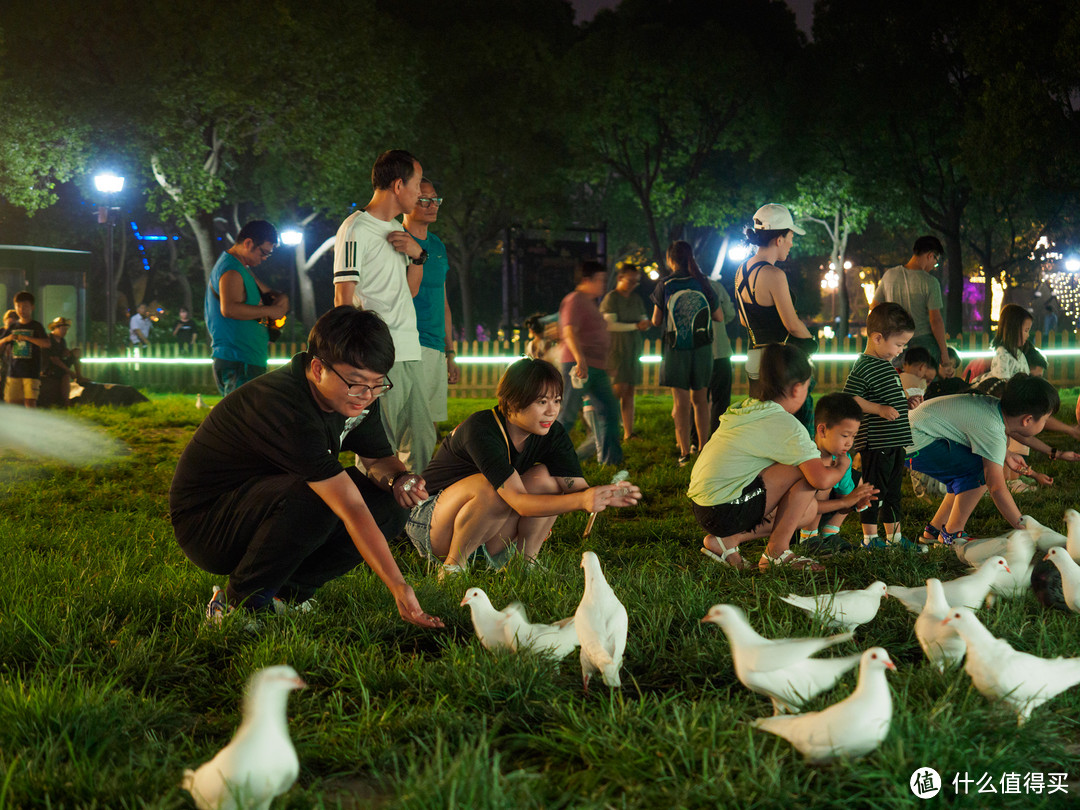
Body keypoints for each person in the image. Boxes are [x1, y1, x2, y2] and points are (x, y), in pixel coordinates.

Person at [169, 306, 442, 628]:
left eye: (377, 384)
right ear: (317, 368)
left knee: (386, 501)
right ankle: (237, 604)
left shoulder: (358, 395)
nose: (366, 396)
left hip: (269, 502)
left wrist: (399, 479)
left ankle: (284, 596)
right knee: (321, 494)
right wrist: (399, 587)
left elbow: (377, 459)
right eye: (356, 383)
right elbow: (348, 504)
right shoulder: (285, 405)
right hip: (209, 523)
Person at [406, 357, 641, 576]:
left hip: (487, 526)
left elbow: (577, 490)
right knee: (492, 487)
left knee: (547, 479)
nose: (552, 410)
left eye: (557, 400)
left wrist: (605, 495)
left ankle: (524, 563)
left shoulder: (551, 432)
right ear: (511, 402)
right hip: (432, 524)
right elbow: (518, 500)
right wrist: (581, 501)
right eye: (542, 401)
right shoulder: (481, 428)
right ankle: (453, 568)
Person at [689, 343, 848, 572]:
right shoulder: (787, 425)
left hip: (704, 506)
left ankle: (725, 542)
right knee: (810, 470)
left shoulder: (750, 408)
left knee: (808, 510)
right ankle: (777, 552)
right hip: (724, 509)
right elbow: (821, 480)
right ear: (796, 389)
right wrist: (842, 465)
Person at [333, 149, 436, 473]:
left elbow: (411, 291)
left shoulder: (394, 228)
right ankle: (367, 514)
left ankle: (413, 515)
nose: (420, 193)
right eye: (417, 183)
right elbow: (343, 300)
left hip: (409, 348)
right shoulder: (355, 229)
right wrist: (358, 360)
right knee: (379, 445)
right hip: (379, 354)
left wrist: (418, 256)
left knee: (421, 440)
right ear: (397, 185)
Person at [908, 375, 1060, 545]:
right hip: (916, 441)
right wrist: (1024, 529)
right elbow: (996, 487)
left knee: (969, 472)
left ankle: (935, 529)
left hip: (913, 434)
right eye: (1045, 419)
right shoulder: (993, 428)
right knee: (979, 471)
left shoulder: (993, 408)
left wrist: (1007, 454)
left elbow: (991, 432)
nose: (1045, 423)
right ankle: (952, 533)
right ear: (1027, 420)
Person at [842, 302, 922, 551]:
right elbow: (850, 397)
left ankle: (894, 538)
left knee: (893, 493)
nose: (900, 350)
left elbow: (887, 400)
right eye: (898, 344)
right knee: (874, 491)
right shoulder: (865, 365)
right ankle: (870, 539)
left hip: (894, 441)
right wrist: (878, 409)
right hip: (877, 442)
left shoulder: (885, 365)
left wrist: (906, 403)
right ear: (877, 338)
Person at [733, 204, 817, 431]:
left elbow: (743, 320)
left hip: (754, 359)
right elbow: (792, 324)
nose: (791, 243)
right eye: (790, 237)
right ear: (779, 239)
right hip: (781, 363)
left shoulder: (741, 270)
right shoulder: (774, 274)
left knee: (762, 427)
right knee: (795, 429)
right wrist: (811, 342)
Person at [650, 241, 722, 466]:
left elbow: (656, 320)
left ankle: (683, 452)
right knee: (701, 401)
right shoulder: (703, 283)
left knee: (680, 404)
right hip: (701, 348)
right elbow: (718, 316)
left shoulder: (666, 284)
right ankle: (704, 448)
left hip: (676, 350)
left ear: (671, 259)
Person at [206, 220, 289, 396]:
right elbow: (229, 309)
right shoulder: (231, 270)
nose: (264, 258)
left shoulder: (242, 268)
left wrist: (282, 299)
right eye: (264, 252)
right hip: (239, 361)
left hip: (245, 359)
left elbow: (269, 293)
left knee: (245, 420)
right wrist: (270, 311)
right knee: (240, 421)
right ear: (249, 243)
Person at [402, 178, 459, 431]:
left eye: (435, 199)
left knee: (428, 428)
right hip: (406, 344)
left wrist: (450, 352)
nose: (431, 204)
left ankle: (419, 473)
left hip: (435, 346)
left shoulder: (437, 245)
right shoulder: (396, 239)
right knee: (399, 426)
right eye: (423, 199)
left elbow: (443, 301)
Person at [556, 260, 623, 465]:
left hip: (596, 367)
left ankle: (611, 462)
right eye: (600, 279)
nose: (604, 284)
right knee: (567, 415)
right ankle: (544, 459)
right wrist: (580, 358)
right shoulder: (574, 300)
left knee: (610, 412)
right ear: (587, 279)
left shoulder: (589, 303)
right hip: (578, 366)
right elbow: (569, 330)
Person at [798, 393, 879, 553]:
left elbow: (845, 495)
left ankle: (830, 532)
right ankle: (808, 538)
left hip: (822, 510)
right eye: (844, 435)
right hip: (794, 519)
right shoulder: (808, 456)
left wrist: (856, 500)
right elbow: (806, 506)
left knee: (857, 482)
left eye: (853, 436)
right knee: (827, 475)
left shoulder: (843, 458)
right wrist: (845, 501)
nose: (849, 442)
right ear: (822, 430)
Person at [871, 235, 951, 369]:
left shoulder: (890, 275)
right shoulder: (930, 282)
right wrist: (945, 355)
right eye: (936, 262)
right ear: (930, 255)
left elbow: (874, 307)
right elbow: (935, 321)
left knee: (898, 386)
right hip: (924, 344)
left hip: (895, 344)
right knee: (924, 387)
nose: (934, 266)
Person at [600, 262, 651, 440]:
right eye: (630, 281)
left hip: (633, 349)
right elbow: (610, 325)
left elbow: (644, 318)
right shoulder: (611, 298)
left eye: (636, 282)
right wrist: (636, 325)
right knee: (618, 389)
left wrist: (644, 324)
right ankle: (605, 427)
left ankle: (629, 433)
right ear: (620, 278)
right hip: (616, 349)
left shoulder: (636, 299)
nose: (633, 285)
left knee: (629, 391)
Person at [0, 291, 50, 407]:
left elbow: (46, 343)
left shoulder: (36, 326)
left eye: (25, 306)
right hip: (14, 371)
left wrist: (27, 338)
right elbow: (1, 341)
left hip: (31, 371)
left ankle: (31, 424)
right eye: (18, 306)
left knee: (30, 402)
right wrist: (7, 339)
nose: (21, 310)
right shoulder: (13, 326)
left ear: (32, 307)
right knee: (11, 402)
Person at [971, 304, 1032, 388]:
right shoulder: (1002, 354)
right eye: (1026, 330)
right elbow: (1002, 384)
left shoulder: (1019, 354)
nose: (1028, 335)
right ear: (1013, 329)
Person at [40, 317, 84, 408]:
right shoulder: (49, 339)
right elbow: (54, 359)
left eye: (66, 329)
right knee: (65, 376)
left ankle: (79, 376)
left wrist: (67, 353)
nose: (65, 331)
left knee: (76, 352)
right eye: (63, 329)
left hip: (60, 362)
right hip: (50, 367)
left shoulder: (62, 340)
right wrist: (69, 371)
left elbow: (62, 353)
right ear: (55, 328)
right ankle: (66, 401)